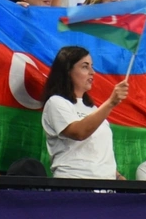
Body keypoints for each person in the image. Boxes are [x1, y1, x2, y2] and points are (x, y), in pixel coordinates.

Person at [41, 45, 128, 179]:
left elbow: (97, 151)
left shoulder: (93, 109)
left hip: (106, 185)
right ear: (67, 71)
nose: (92, 72)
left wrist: (118, 177)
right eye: (85, 67)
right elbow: (79, 133)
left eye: (92, 66)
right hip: (75, 183)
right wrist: (110, 103)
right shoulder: (56, 102)